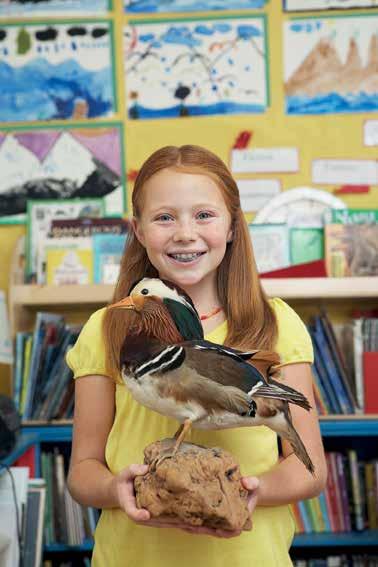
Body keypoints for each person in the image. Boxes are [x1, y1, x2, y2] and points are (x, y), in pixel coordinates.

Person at [66, 145, 327, 567]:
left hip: (248, 557)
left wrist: (249, 490)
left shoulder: (276, 323)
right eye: (164, 217)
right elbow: (83, 471)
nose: (184, 233)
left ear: (231, 227)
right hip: (133, 557)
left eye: (203, 215)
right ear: (138, 230)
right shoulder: (105, 327)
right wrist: (118, 489)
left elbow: (309, 468)